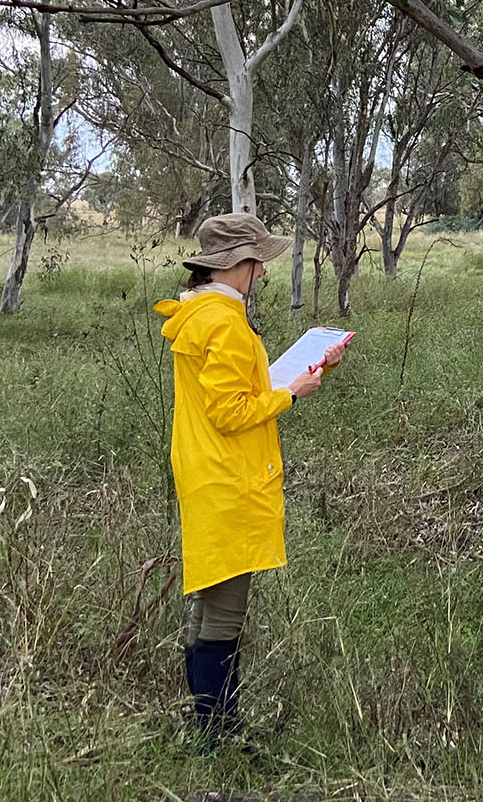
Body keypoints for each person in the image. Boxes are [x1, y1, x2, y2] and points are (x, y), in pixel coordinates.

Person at [153, 213, 346, 746]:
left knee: (210, 602)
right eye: (258, 261)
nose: (262, 272)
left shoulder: (201, 316)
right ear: (239, 264)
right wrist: (290, 396)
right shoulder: (225, 323)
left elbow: (238, 389)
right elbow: (231, 411)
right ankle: (217, 734)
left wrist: (312, 371)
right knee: (225, 613)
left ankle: (210, 725)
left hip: (206, 471)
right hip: (229, 477)